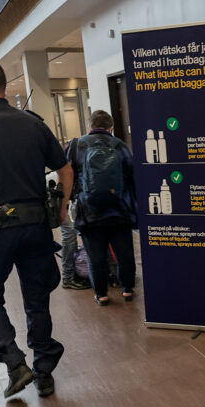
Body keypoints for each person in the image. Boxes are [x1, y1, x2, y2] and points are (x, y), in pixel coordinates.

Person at [0, 56, 73, 398]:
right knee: (37, 299)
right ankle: (44, 371)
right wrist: (62, 208)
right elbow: (65, 170)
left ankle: (15, 364)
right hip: (36, 228)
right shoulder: (32, 123)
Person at [67, 110, 137, 306]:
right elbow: (132, 176)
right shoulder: (120, 146)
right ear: (111, 127)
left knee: (95, 256)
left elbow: (68, 175)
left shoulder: (76, 146)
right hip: (119, 210)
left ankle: (102, 294)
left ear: (90, 126)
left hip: (89, 212)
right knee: (124, 253)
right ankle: (127, 290)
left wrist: (73, 198)